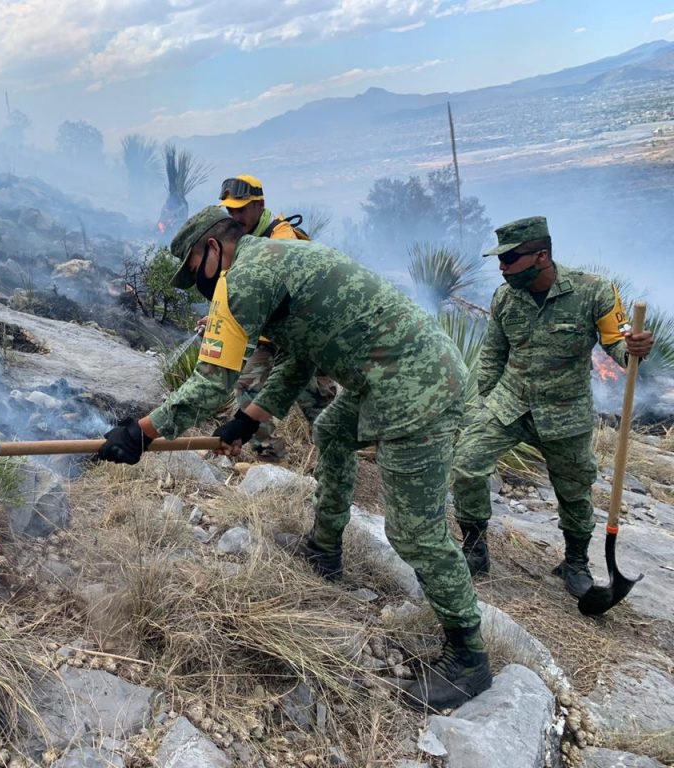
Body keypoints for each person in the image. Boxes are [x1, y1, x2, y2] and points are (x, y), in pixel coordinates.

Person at [98, 206, 491, 711]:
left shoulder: (244, 279)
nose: (195, 279)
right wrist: (248, 418)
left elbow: (209, 383)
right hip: (392, 371)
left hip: (416, 385)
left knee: (415, 533)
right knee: (331, 428)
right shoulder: (276, 260)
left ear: (215, 247)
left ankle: (469, 657)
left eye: (195, 264)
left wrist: (141, 432)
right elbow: (300, 358)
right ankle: (325, 549)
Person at [451, 216, 654, 597]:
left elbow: (619, 347)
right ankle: (475, 549)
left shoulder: (593, 291)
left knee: (575, 490)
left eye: (510, 259)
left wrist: (634, 352)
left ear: (541, 256)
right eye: (500, 259)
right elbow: (494, 354)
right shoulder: (504, 297)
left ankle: (575, 562)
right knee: (466, 464)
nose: (502, 267)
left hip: (566, 411)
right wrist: (482, 403)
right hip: (510, 402)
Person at [217, 174, 336, 462]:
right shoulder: (240, 240)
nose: (235, 216)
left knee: (315, 398)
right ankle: (269, 455)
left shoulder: (282, 238)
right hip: (268, 336)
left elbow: (277, 288)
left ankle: (342, 452)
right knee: (247, 387)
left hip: (302, 334)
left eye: (241, 209)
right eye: (230, 210)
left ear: (259, 205)